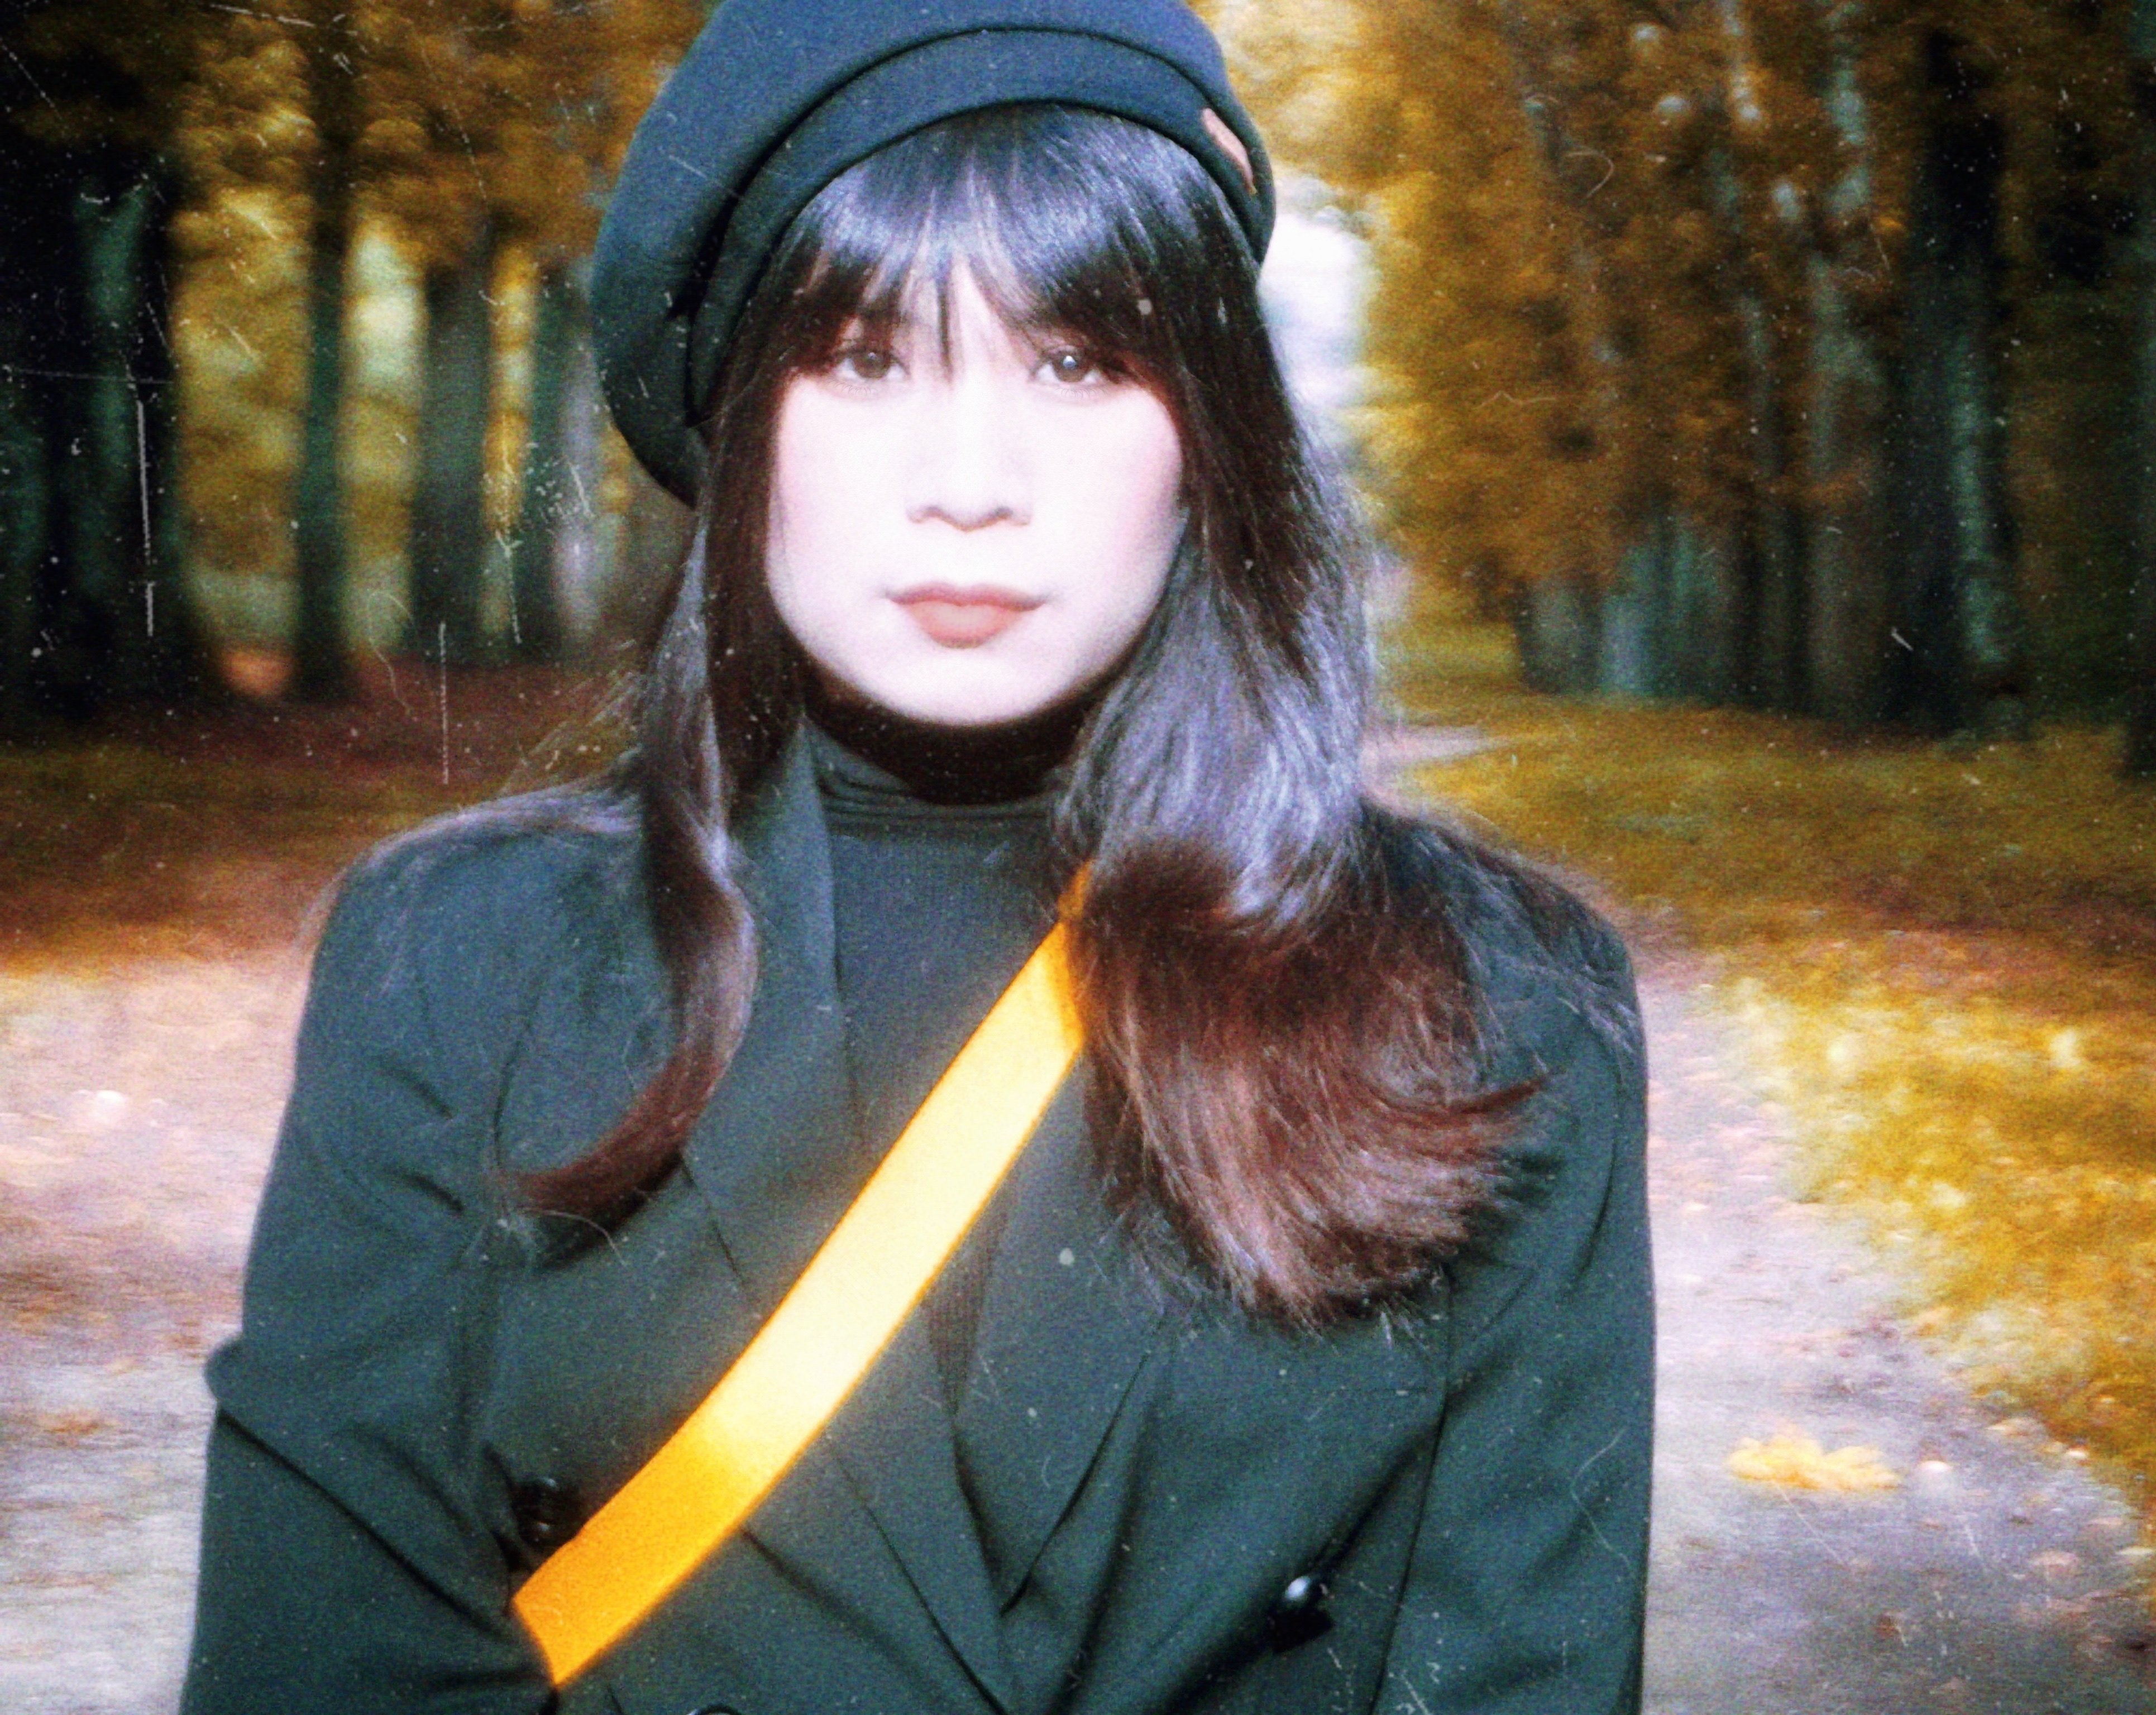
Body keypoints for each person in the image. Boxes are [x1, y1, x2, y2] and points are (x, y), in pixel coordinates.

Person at [178, 1, 1654, 1710]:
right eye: (866, 357)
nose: (970, 482)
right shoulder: (454, 964)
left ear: (1209, 434)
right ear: (743, 422)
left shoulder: (1500, 1007)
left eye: (1080, 361)